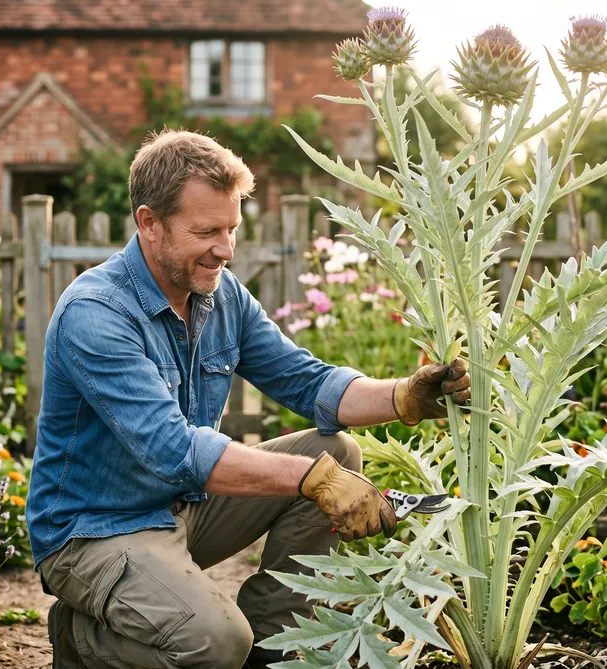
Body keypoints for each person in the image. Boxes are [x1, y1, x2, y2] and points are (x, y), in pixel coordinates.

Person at [25, 129, 470, 669]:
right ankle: (82, 639)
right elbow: (173, 449)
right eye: (207, 230)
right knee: (214, 642)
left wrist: (404, 396)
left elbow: (306, 381)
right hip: (95, 531)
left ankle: (275, 647)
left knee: (338, 451)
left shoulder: (220, 294)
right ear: (149, 223)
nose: (226, 248)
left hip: (181, 508)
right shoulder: (95, 314)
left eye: (232, 228)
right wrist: (315, 481)